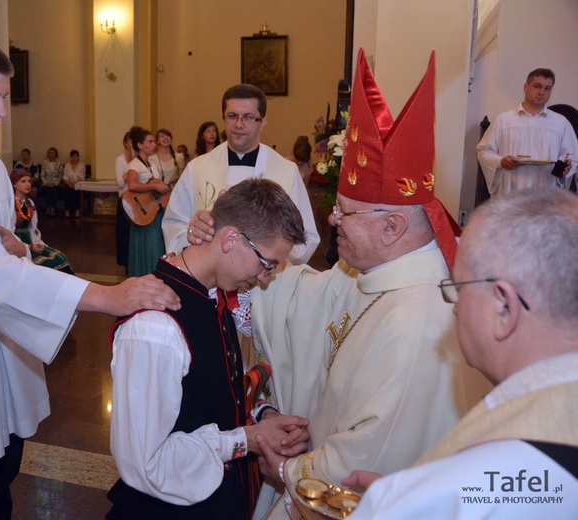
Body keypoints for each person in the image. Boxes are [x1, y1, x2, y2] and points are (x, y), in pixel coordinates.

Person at [0, 33, 179, 520]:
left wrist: (19, 248)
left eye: (3, 95)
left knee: (1, 480)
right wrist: (107, 296)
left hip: (3, 350)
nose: (1, 110)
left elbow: (5, 252)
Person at [247, 49, 489, 519]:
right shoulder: (371, 275)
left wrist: (288, 472)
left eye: (346, 212)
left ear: (392, 227)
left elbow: (365, 457)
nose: (332, 218)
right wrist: (230, 257)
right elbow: (302, 296)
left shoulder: (418, 319)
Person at [334, 189, 578, 519]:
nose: (455, 310)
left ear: (503, 306)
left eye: (458, 288)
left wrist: (401, 504)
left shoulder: (476, 488)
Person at [107, 179, 311, 520]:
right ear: (231, 239)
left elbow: (212, 390)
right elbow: (145, 463)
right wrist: (246, 439)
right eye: (268, 263)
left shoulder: (212, 294)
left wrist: (263, 417)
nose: (264, 278)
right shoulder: (154, 329)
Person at [163, 84, 320, 265]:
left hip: (265, 285)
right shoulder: (197, 169)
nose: (239, 124)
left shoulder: (286, 171)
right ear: (223, 118)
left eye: (248, 117)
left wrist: (263, 260)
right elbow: (174, 225)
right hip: (209, 284)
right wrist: (193, 233)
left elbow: (305, 237)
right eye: (232, 116)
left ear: (262, 122)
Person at [476, 68, 578, 197]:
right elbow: (483, 151)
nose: (542, 92)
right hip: (510, 192)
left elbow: (572, 157)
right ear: (526, 87)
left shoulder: (561, 123)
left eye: (547, 88)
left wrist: (566, 167)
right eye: (537, 86)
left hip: (546, 194)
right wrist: (501, 162)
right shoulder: (503, 120)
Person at [126, 127, 170, 277]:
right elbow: (132, 185)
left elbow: (156, 186)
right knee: (149, 245)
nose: (153, 144)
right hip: (143, 212)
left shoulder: (151, 164)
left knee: (156, 245)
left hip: (154, 211)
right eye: (150, 142)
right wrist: (154, 186)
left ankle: (155, 274)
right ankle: (143, 274)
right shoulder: (134, 165)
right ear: (139, 145)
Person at [11, 169, 73, 274]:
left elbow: (33, 228)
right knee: (45, 264)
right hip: (17, 242)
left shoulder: (29, 203)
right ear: (15, 185)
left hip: (29, 239)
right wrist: (28, 247)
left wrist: (36, 242)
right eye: (23, 181)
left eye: (29, 181)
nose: (28, 184)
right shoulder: (10, 204)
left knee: (60, 257)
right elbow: (9, 230)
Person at [115, 128, 137, 272]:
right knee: (124, 234)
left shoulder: (138, 159)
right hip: (124, 201)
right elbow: (120, 183)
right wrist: (130, 170)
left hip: (137, 201)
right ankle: (125, 263)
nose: (131, 143)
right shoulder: (120, 160)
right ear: (125, 143)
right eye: (129, 140)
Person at [40, 146, 63, 216]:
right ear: (48, 154)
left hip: (56, 183)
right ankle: (48, 207)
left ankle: (52, 207)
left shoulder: (59, 164)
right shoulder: (44, 163)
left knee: (53, 190)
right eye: (50, 153)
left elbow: (60, 175)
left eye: (53, 153)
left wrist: (55, 183)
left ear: (56, 155)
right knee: (48, 190)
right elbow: (42, 175)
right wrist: (46, 183)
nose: (52, 155)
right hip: (46, 183)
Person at [62, 149, 85, 218]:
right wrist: (69, 184)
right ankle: (67, 210)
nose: (74, 158)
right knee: (66, 190)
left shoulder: (82, 165)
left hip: (78, 184)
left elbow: (82, 177)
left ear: (78, 157)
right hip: (69, 184)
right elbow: (65, 177)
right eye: (73, 156)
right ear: (70, 157)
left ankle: (77, 210)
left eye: (76, 156)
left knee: (77, 191)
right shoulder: (67, 165)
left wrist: (76, 184)